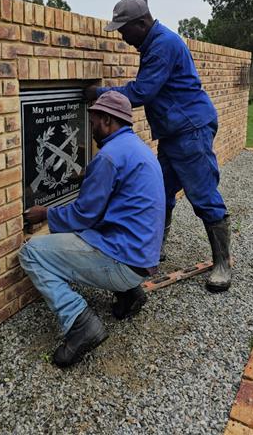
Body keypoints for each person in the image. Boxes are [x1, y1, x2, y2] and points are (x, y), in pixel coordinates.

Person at [84, 0, 232, 293]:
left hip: (190, 130)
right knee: (160, 193)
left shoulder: (163, 44)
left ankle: (222, 264)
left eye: (124, 30)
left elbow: (142, 91)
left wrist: (100, 93)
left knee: (202, 194)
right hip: (174, 132)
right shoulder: (153, 43)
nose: (123, 38)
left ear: (142, 23)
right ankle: (153, 250)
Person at [20, 91, 165, 368]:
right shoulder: (136, 148)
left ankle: (80, 323)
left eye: (94, 121)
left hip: (123, 261)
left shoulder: (109, 157)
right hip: (142, 258)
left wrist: (45, 213)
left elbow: (82, 216)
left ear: (108, 120)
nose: (91, 128)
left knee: (31, 253)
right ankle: (129, 293)